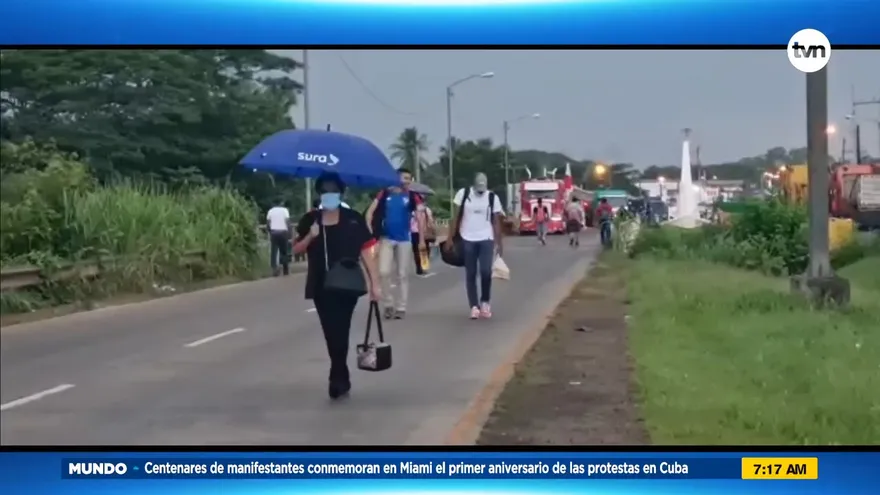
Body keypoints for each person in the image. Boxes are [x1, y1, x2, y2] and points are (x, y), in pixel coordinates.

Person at [292, 173, 381, 400]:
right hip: (321, 285)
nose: (328, 196)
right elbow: (296, 250)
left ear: (340, 194)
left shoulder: (353, 219)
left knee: (342, 329)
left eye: (333, 192)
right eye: (324, 192)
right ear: (319, 194)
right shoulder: (310, 219)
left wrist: (375, 283)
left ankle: (338, 377)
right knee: (331, 333)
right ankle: (339, 373)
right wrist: (310, 236)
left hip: (347, 284)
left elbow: (366, 252)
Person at [365, 168, 427, 320]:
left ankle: (401, 307)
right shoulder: (384, 193)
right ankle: (388, 304)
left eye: (409, 179)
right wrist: (372, 234)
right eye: (404, 177)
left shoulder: (413, 196)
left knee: (402, 274)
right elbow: (369, 213)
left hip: (404, 239)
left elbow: (420, 217)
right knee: (384, 272)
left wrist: (421, 240)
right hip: (386, 238)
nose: (406, 181)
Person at [447, 172, 504, 320]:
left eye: (483, 188)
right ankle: (474, 306)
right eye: (478, 187)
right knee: (470, 273)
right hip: (467, 238)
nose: (481, 190)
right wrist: (450, 238)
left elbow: (496, 221)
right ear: (474, 184)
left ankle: (485, 302)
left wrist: (499, 242)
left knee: (486, 271)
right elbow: (455, 216)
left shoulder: (492, 197)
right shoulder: (463, 193)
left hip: (486, 238)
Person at [410, 197, 435, 277]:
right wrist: (433, 229)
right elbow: (430, 221)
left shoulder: (411, 211)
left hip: (414, 232)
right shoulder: (426, 210)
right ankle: (423, 268)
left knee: (416, 251)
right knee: (424, 251)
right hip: (423, 232)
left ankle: (419, 268)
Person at [266, 200, 292, 276]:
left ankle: (274, 269)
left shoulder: (270, 211)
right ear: (281, 203)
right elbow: (287, 222)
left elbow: (268, 223)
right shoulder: (285, 210)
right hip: (283, 232)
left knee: (274, 251)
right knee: (284, 251)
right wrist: (289, 232)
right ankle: (285, 269)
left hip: (274, 232)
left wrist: (270, 231)